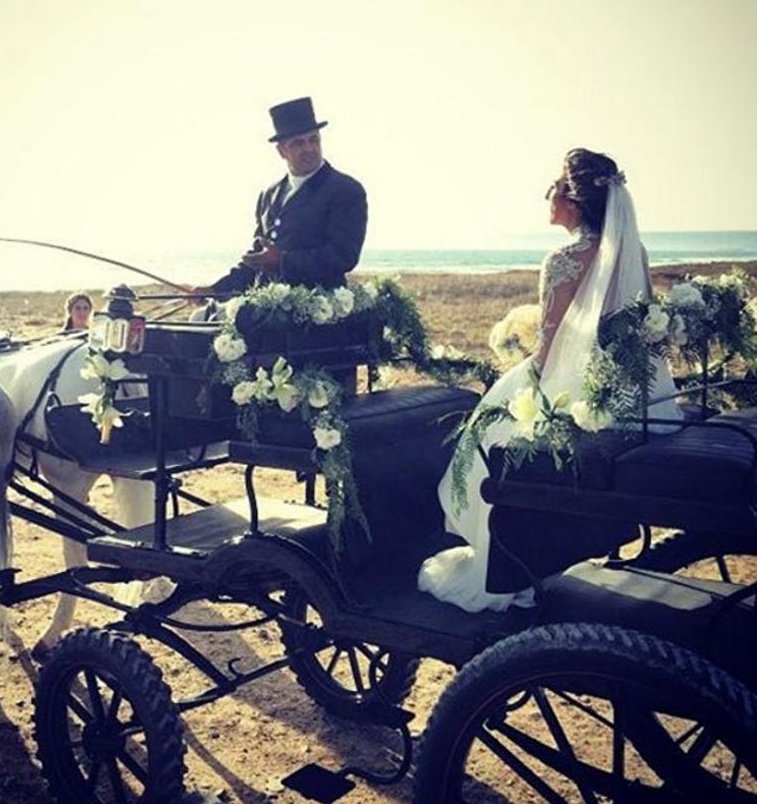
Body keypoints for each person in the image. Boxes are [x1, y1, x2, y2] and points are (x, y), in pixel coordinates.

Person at [418, 148, 683, 613]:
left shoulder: (562, 259)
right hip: (626, 390)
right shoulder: (632, 251)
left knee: (484, 435)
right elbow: (637, 326)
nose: (548, 197)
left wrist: (523, 379)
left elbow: (550, 343)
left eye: (554, 189)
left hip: (571, 387)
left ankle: (504, 561)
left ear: (574, 202)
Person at [199, 97, 368, 296]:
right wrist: (214, 290)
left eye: (313, 140)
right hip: (268, 309)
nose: (309, 149)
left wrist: (282, 262)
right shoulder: (269, 195)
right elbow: (257, 260)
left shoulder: (345, 190)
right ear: (281, 150)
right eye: (298, 143)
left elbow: (343, 256)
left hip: (320, 312)